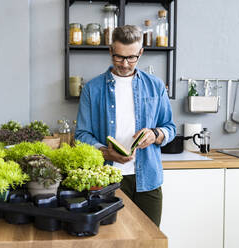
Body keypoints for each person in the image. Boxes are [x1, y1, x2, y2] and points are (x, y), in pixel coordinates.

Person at [75, 25, 176, 227]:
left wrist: (155, 134)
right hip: (106, 180)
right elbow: (81, 135)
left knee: (149, 240)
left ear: (141, 53)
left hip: (148, 180)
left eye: (132, 57)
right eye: (119, 57)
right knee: (112, 240)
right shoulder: (92, 89)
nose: (125, 63)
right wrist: (105, 152)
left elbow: (170, 127)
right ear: (111, 51)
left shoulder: (155, 85)